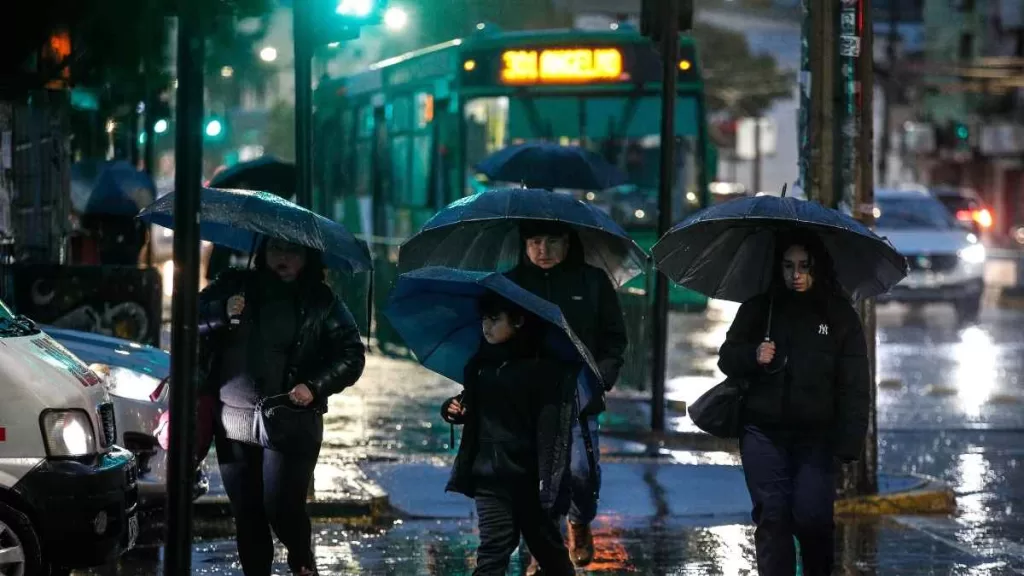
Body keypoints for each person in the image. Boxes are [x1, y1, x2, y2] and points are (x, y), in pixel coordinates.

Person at [197, 237, 366, 576]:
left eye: (293, 251)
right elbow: (189, 322)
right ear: (262, 252)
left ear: (308, 257)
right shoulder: (233, 286)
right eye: (275, 249)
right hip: (233, 420)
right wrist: (220, 312)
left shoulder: (322, 302)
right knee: (247, 514)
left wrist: (314, 386)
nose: (283, 258)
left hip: (290, 423)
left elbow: (351, 355)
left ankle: (301, 560)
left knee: (282, 509)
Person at [717, 231, 871, 576]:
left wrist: (849, 442)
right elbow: (727, 357)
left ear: (818, 267)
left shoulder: (839, 315)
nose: (796, 274)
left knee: (813, 518)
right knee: (772, 518)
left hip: (816, 437)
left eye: (804, 266)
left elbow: (855, 385)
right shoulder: (760, 308)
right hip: (763, 432)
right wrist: (753, 355)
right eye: (788, 266)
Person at [505, 219, 628, 570]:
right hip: (530, 396)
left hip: (579, 393)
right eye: (535, 242)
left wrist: (600, 377)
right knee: (537, 477)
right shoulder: (511, 284)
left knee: (580, 471)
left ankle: (579, 520)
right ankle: (544, 551)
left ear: (568, 242)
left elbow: (614, 338)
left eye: (552, 241)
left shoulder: (592, 282)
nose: (543, 250)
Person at [440, 293, 578, 576]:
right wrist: (454, 409)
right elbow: (470, 404)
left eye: (494, 320)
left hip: (530, 479)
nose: (486, 327)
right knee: (493, 551)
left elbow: (551, 434)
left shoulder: (543, 370)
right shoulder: (480, 365)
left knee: (548, 552)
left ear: (518, 321)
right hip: (489, 476)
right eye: (484, 319)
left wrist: (550, 485)